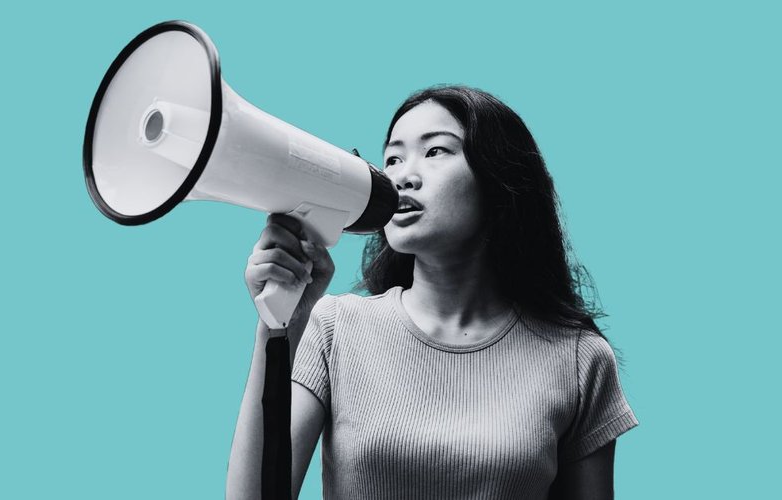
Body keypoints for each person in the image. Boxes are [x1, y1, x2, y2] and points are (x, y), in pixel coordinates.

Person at [226, 85, 638, 500]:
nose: (403, 175)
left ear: (498, 178)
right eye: (392, 158)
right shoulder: (335, 329)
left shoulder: (579, 359)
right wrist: (277, 327)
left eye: (436, 151)